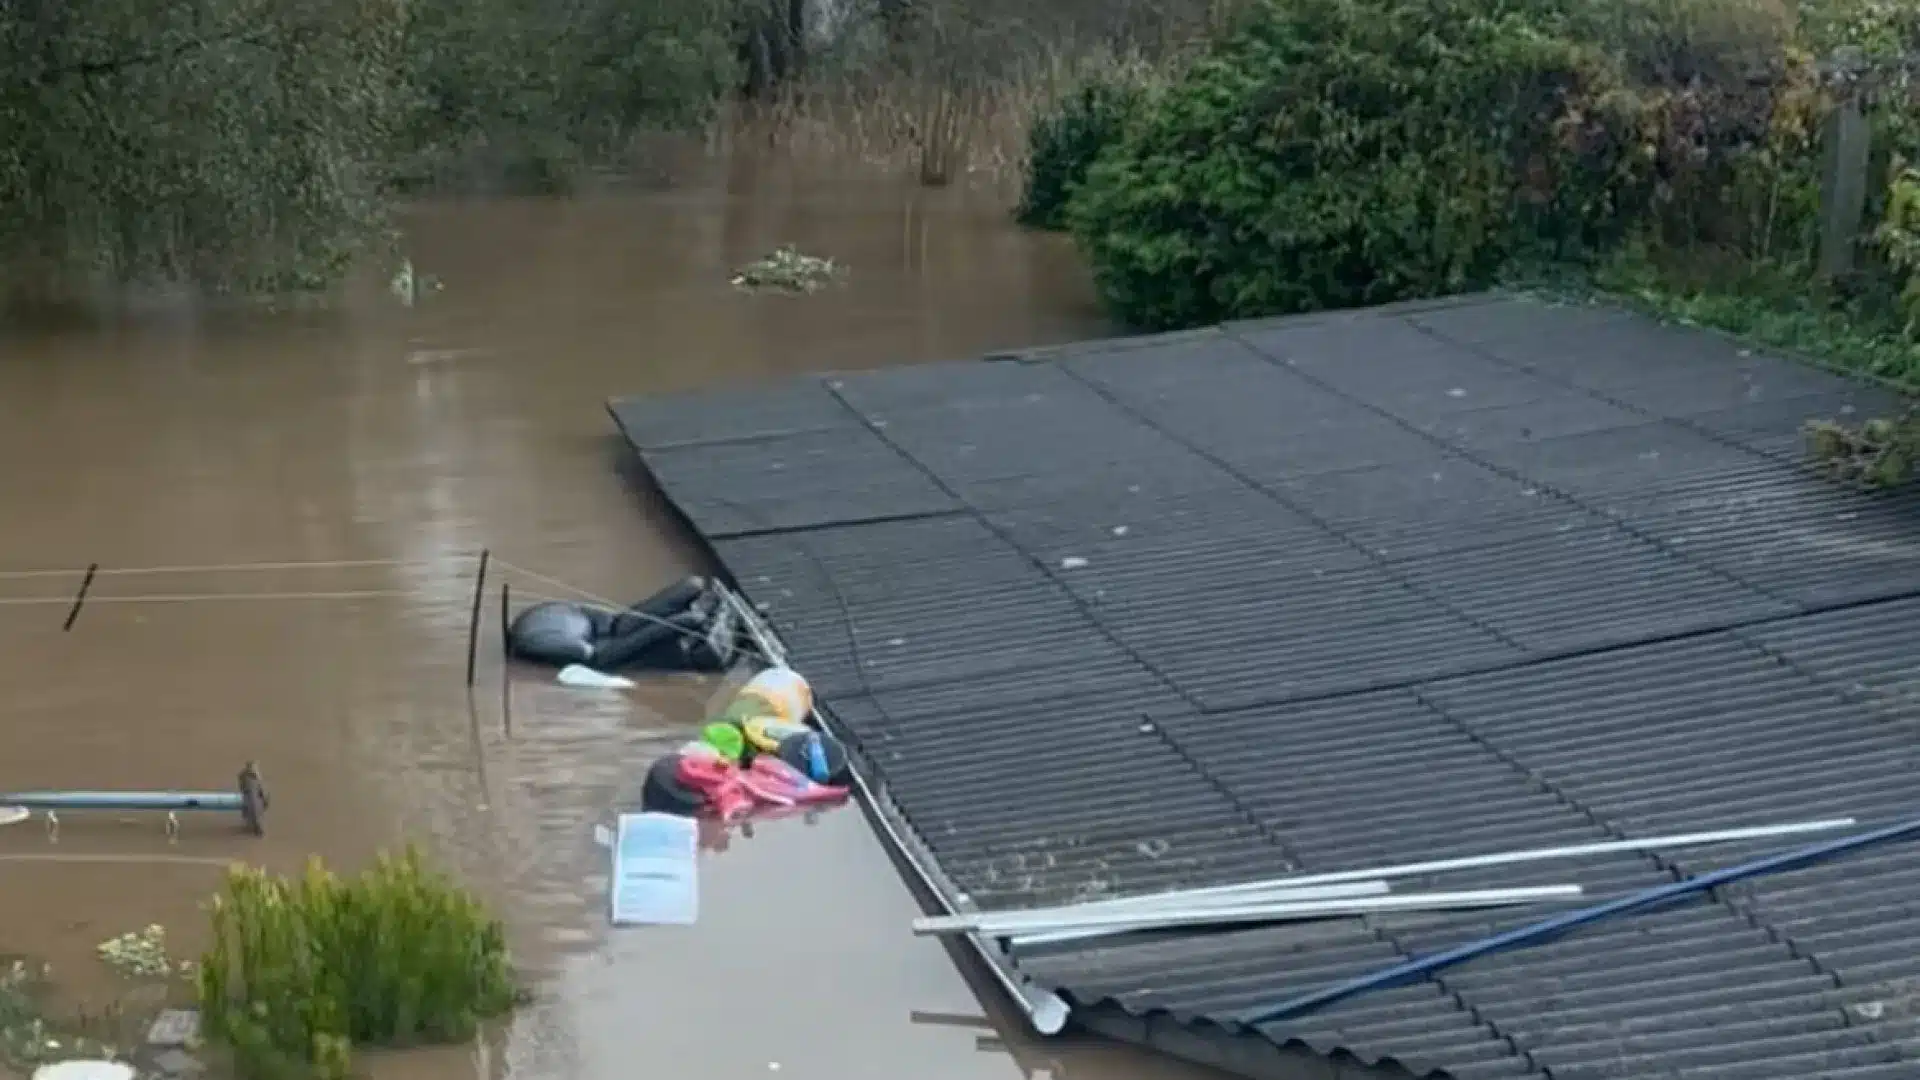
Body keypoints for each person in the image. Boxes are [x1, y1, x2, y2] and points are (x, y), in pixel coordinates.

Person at [507, 575, 738, 673]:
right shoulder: (580, 649)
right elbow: (594, 656)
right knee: (691, 620)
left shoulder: (604, 624)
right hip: (600, 653)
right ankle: (695, 622)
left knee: (693, 584)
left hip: (603, 627)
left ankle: (699, 614)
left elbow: (618, 626)